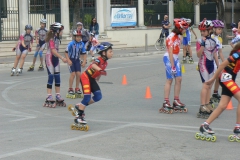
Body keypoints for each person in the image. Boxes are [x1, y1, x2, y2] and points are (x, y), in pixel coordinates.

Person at [196, 42, 240, 142]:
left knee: (222, 105)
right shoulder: (238, 54)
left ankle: (205, 125)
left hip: (230, 78)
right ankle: (238, 128)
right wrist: (213, 78)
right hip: (225, 78)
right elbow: (223, 65)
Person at [73, 42, 113, 124]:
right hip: (85, 77)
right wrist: (100, 70)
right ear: (103, 53)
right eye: (110, 51)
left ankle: (80, 106)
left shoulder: (105, 63)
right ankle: (79, 117)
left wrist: (97, 79)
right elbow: (93, 65)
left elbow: (99, 73)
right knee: (87, 97)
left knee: (98, 96)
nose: (112, 53)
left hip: (92, 79)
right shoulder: (98, 59)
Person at [159, 18, 189, 114]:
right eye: (184, 29)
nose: (185, 31)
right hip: (169, 58)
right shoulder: (171, 37)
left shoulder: (178, 36)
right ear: (179, 28)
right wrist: (172, 66)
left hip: (175, 58)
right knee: (170, 79)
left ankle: (176, 100)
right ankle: (166, 101)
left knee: (179, 78)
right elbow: (171, 52)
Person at [196, 20, 219, 119]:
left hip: (211, 64)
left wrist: (218, 66)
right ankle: (202, 106)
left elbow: (215, 54)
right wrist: (202, 45)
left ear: (209, 30)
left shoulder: (213, 41)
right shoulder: (199, 41)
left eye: (204, 31)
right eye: (201, 31)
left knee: (209, 85)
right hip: (203, 64)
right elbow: (198, 55)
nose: (202, 33)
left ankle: (207, 103)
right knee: (205, 85)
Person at [43, 22, 68, 108]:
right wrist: (62, 58)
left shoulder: (57, 38)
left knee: (57, 77)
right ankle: (49, 95)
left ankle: (58, 95)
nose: (62, 32)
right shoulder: (51, 39)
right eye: (61, 31)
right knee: (51, 77)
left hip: (55, 59)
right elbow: (53, 51)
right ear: (57, 30)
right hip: (49, 58)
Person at [65, 30, 87, 99]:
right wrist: (68, 60)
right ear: (74, 37)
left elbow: (84, 53)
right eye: (77, 36)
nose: (79, 38)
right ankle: (70, 88)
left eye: (80, 36)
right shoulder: (71, 44)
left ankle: (77, 88)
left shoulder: (82, 44)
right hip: (71, 59)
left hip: (77, 60)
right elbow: (66, 52)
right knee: (73, 74)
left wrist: (84, 61)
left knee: (78, 74)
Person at [210, 20, 225, 104]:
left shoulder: (219, 39)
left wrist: (225, 62)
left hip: (217, 60)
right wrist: (219, 64)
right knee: (212, 78)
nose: (220, 31)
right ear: (214, 29)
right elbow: (213, 53)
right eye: (219, 29)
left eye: (221, 29)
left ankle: (215, 93)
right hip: (211, 61)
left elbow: (220, 52)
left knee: (219, 77)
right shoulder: (211, 38)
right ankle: (208, 96)